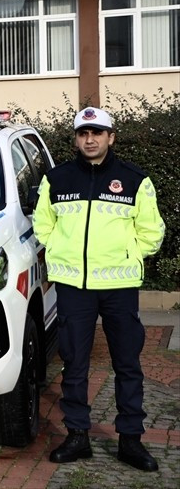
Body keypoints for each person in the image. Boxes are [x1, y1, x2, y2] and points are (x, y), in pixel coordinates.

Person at [34, 107, 165, 473]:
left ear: (111, 137)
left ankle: (130, 441)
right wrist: (59, 250)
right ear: (76, 138)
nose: (89, 139)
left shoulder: (135, 180)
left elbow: (152, 232)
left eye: (97, 132)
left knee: (127, 364)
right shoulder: (56, 179)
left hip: (120, 287)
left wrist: (128, 255)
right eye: (83, 133)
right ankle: (77, 436)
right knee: (74, 364)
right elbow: (43, 224)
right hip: (74, 286)